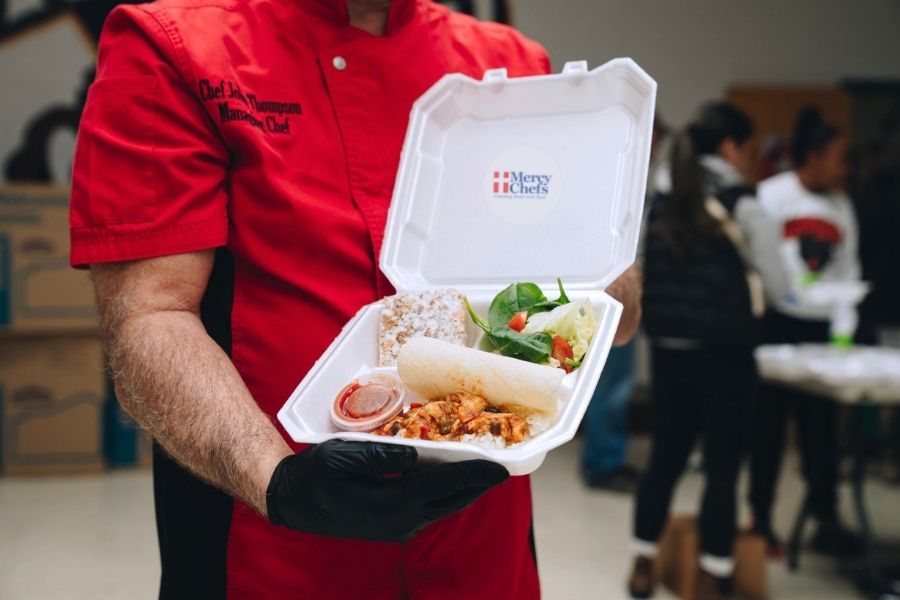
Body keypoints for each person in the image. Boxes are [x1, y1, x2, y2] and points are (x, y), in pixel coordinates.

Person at [69, 1, 642, 598]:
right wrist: (277, 481)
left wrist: (597, 263)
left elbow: (614, 299)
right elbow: (150, 314)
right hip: (270, 530)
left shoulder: (509, 63)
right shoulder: (176, 45)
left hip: (478, 536)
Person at [627, 102, 763, 600]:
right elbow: (780, 280)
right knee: (723, 467)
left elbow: (643, 268)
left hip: (668, 350)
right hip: (726, 352)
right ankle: (711, 572)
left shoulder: (661, 200)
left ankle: (642, 564)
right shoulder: (743, 202)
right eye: (751, 148)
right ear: (730, 147)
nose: (754, 158)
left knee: (664, 459)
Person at [748, 107, 863, 557]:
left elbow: (850, 269)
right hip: (777, 323)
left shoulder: (842, 206)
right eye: (839, 157)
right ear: (813, 157)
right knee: (768, 430)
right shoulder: (773, 196)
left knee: (822, 432)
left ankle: (824, 517)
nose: (846, 167)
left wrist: (843, 329)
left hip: (822, 327)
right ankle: (761, 518)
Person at [581, 115, 668, 492]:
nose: (654, 152)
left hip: (625, 291)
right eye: (651, 142)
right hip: (613, 292)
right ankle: (602, 463)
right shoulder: (610, 182)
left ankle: (605, 457)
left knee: (615, 381)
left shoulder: (631, 183)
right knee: (613, 383)